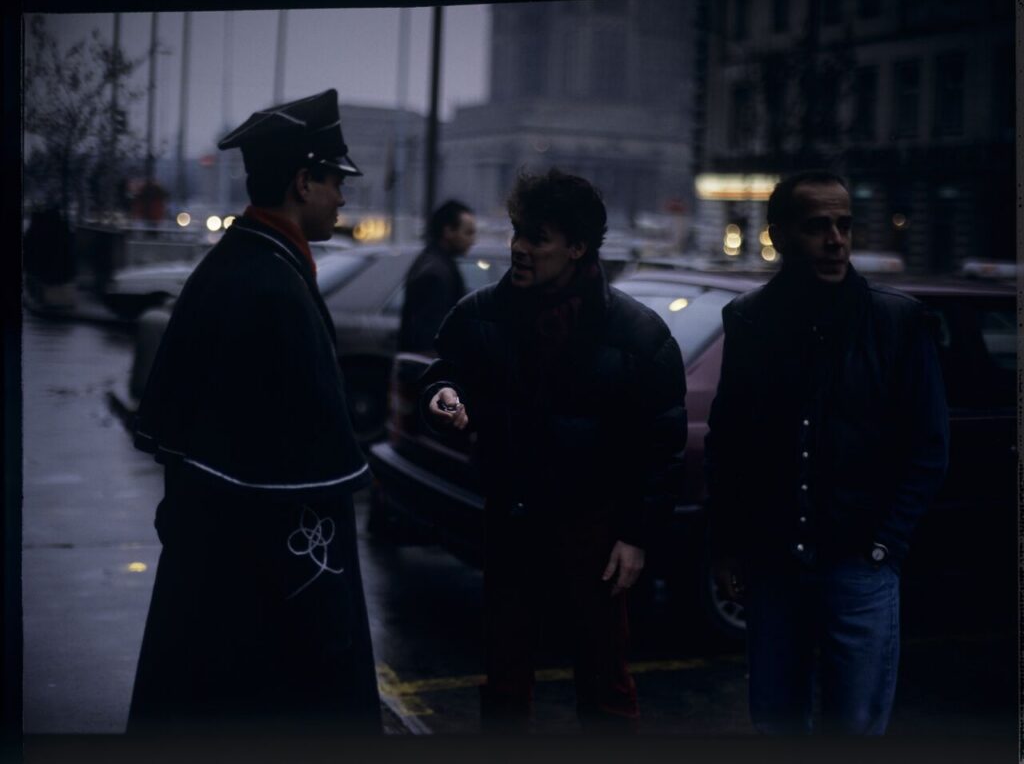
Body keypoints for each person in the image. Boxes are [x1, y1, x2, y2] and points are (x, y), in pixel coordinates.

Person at [128, 89, 381, 735]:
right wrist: (329, 620)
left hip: (205, 593)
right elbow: (305, 489)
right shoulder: (276, 290)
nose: (343, 197)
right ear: (303, 181)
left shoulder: (230, 266)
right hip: (263, 610)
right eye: (334, 181)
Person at [422, 169, 687, 732]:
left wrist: (636, 535)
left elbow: (662, 446)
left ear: (577, 246)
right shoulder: (481, 315)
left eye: (537, 237)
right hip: (511, 524)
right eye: (518, 231)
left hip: (595, 533)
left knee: (605, 685)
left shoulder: (637, 334)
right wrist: (443, 394)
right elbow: (445, 370)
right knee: (505, 683)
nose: (519, 247)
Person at [705, 170, 949, 735]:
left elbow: (928, 447)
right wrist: (726, 547)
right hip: (774, 567)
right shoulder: (750, 320)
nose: (836, 240)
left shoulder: (898, 321)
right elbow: (731, 442)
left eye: (843, 225)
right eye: (817, 227)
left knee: (854, 728)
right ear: (781, 235)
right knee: (776, 721)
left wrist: (887, 543)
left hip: (859, 564)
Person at [398, 199, 476, 353]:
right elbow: (430, 336)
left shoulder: (436, 263)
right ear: (448, 232)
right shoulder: (435, 273)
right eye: (468, 233)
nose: (473, 241)